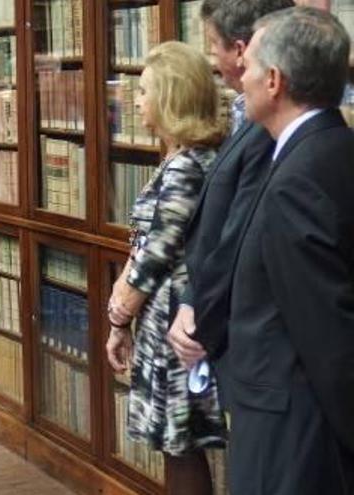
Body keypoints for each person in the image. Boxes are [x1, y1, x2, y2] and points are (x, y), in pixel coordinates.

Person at [227, 7, 354, 493]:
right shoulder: (335, 149)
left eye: (251, 65)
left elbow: (328, 335)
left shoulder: (296, 182)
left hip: (294, 435)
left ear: (275, 80)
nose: (243, 74)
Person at [103, 41, 226, 495]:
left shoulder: (187, 167)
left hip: (176, 320)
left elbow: (156, 254)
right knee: (176, 443)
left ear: (170, 97)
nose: (135, 102)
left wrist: (117, 320)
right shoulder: (181, 158)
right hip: (165, 317)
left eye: (144, 91)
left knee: (181, 442)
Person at [167, 0, 291, 385]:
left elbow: (235, 231)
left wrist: (197, 307)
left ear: (240, 51)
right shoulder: (242, 114)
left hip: (243, 332)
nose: (212, 59)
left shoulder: (268, 128)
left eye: (213, 45)